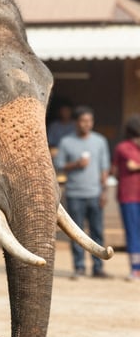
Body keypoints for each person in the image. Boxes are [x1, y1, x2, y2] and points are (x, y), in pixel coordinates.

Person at [54, 105, 111, 278]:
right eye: (83, 121)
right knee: (76, 233)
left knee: (97, 231)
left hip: (95, 194)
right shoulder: (66, 142)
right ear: (76, 122)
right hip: (74, 194)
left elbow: (104, 169)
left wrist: (104, 192)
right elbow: (58, 165)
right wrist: (76, 164)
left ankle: (98, 267)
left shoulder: (100, 141)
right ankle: (79, 266)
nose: (86, 124)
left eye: (89, 121)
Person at [111, 114, 140, 281]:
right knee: (133, 233)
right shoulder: (124, 148)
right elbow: (131, 165)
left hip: (130, 196)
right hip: (129, 197)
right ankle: (136, 268)